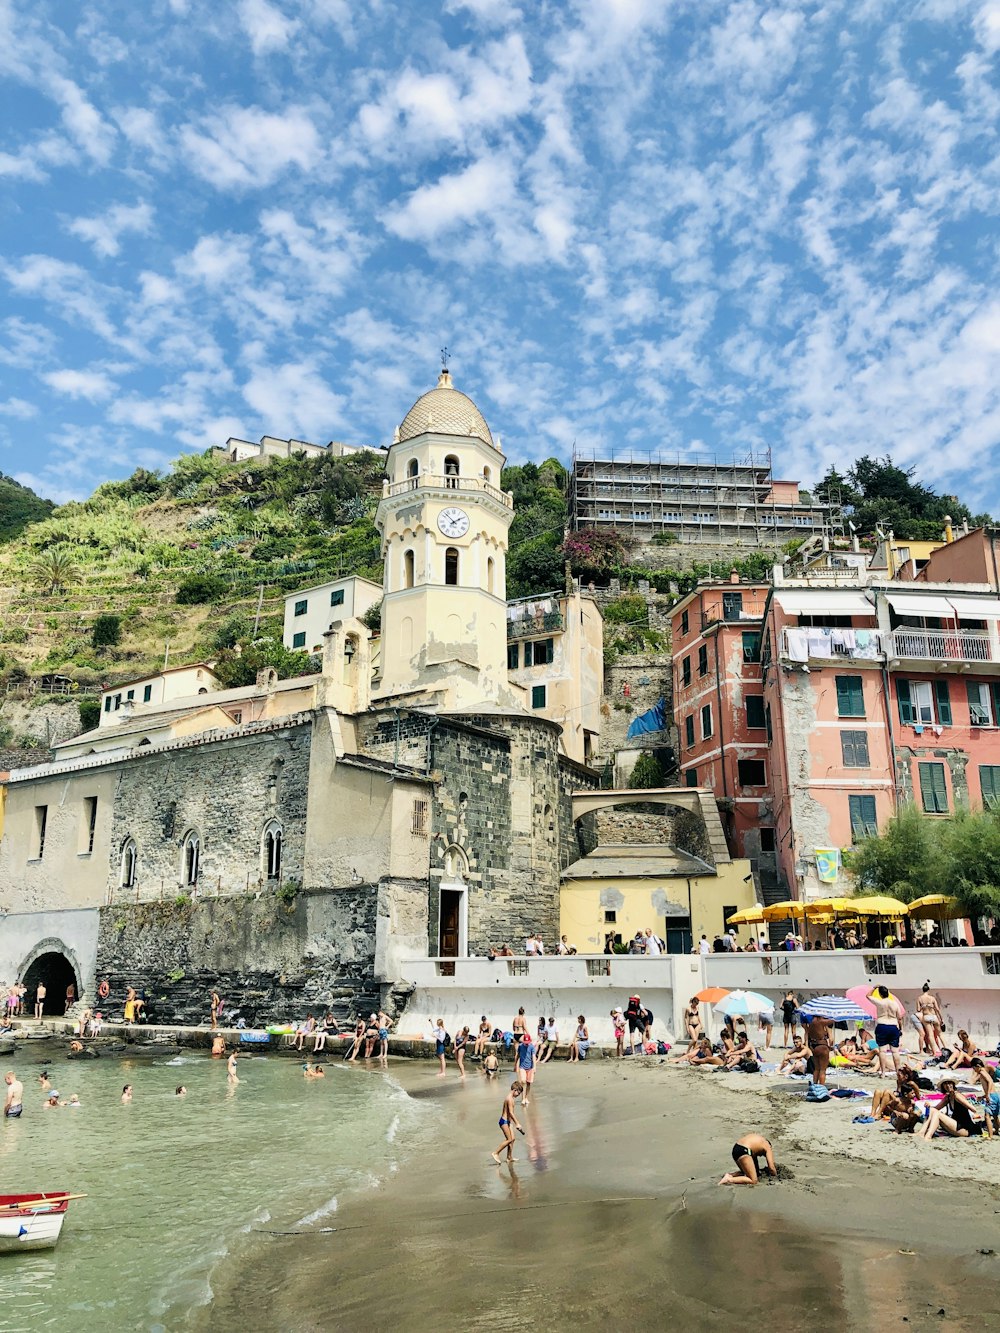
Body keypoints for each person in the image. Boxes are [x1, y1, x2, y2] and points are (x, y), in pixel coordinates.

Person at [916, 1079, 984, 1140]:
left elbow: (973, 1109)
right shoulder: (948, 1097)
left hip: (964, 1128)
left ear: (953, 1084)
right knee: (931, 1110)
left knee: (937, 1114)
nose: (948, 1085)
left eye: (949, 1083)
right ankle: (921, 1132)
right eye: (945, 1084)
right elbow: (935, 1109)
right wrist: (929, 1106)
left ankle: (928, 1136)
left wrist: (962, 1102)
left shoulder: (957, 1095)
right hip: (955, 1125)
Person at [871, 985, 905, 1076]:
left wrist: (874, 988)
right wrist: (900, 1029)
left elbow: (868, 996)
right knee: (895, 1051)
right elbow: (900, 1018)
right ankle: (898, 1072)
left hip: (882, 1025)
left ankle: (883, 1072)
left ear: (880, 994)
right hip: (893, 1026)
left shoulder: (879, 1002)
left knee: (882, 1051)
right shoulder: (895, 1004)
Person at [492, 1082, 525, 1165]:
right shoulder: (509, 1099)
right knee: (509, 1139)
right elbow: (511, 1113)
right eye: (518, 1093)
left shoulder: (510, 1098)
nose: (518, 1095)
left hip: (508, 1121)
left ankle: (509, 1157)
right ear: (514, 1090)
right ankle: (496, 1153)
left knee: (512, 1139)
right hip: (504, 1122)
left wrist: (512, 1123)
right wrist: (517, 1123)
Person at [969, 1059, 1000, 1138]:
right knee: (995, 1115)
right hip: (995, 1095)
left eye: (974, 1068)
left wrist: (987, 1095)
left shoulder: (982, 1072)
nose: (974, 1070)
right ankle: (996, 1130)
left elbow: (990, 1082)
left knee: (987, 1116)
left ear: (978, 1066)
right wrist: (983, 1096)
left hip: (992, 1096)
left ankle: (990, 1136)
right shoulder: (984, 1072)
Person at [915, 983, 944, 1058]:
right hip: (933, 1016)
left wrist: (924, 1006)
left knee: (930, 1035)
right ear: (928, 990)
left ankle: (935, 1052)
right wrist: (941, 1019)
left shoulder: (919, 998)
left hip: (926, 1016)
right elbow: (937, 1009)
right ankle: (946, 1048)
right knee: (940, 1034)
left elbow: (918, 1010)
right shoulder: (932, 998)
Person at [805, 1013, 833, 1086]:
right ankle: (821, 1087)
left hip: (814, 1046)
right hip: (822, 1046)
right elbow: (833, 1020)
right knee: (823, 1070)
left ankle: (814, 1085)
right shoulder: (821, 1021)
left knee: (817, 1069)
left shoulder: (810, 1023)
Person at [516, 1034, 536, 1105]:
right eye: (525, 1043)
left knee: (528, 1083)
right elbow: (517, 1056)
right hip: (522, 1067)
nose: (526, 1044)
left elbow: (533, 1057)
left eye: (527, 1043)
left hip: (530, 1067)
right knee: (523, 1081)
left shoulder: (532, 1047)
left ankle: (526, 1097)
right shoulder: (520, 1046)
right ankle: (523, 1098)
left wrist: (534, 1067)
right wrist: (516, 1065)